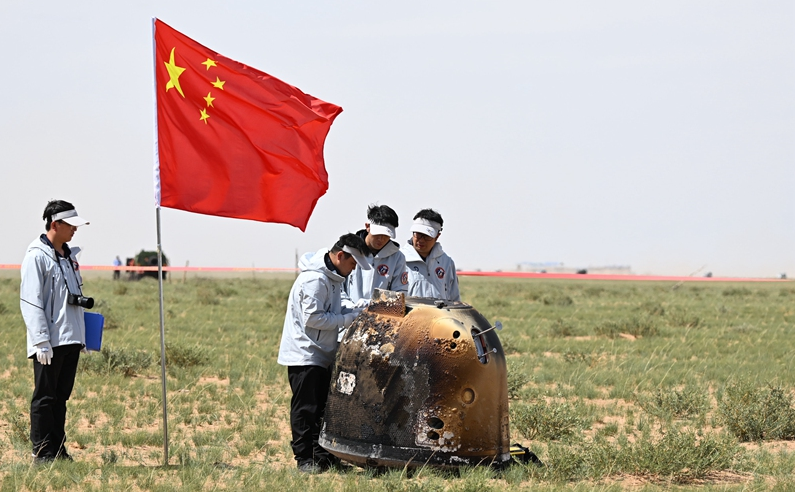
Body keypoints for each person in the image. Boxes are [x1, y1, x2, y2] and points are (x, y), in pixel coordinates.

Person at [277, 233, 371, 473]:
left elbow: (335, 308)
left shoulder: (333, 278)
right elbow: (314, 318)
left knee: (322, 407)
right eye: (352, 264)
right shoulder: (315, 281)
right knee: (306, 408)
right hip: (305, 353)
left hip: (321, 353)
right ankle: (304, 459)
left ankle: (323, 458)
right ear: (340, 256)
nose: (352, 271)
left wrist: (358, 307)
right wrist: (346, 319)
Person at [20, 200, 91, 463]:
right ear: (55, 224)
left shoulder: (70, 256)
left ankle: (58, 450)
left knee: (61, 398)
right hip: (49, 342)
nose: (75, 230)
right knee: (45, 398)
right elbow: (30, 300)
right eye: (70, 225)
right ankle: (41, 452)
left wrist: (82, 336)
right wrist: (40, 340)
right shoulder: (36, 256)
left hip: (71, 338)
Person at [343, 204, 407, 311]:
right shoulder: (348, 249)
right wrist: (348, 305)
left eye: (386, 235)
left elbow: (400, 296)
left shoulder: (397, 258)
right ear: (367, 227)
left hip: (379, 320)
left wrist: (373, 303)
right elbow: (336, 288)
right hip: (346, 316)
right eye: (377, 234)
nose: (381, 239)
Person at [400, 208, 460, 302]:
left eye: (427, 236)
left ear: (437, 236)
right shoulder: (399, 260)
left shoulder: (447, 263)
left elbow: (454, 299)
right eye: (418, 234)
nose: (421, 240)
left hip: (439, 316)